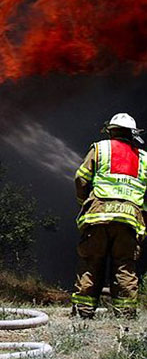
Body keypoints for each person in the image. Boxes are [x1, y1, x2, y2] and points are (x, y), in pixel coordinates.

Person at [73, 112, 147, 319]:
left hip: (98, 217)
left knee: (91, 262)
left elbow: (81, 178)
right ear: (132, 134)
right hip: (129, 222)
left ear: (111, 131)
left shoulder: (100, 148)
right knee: (125, 267)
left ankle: (83, 312)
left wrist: (85, 202)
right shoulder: (144, 158)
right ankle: (125, 315)